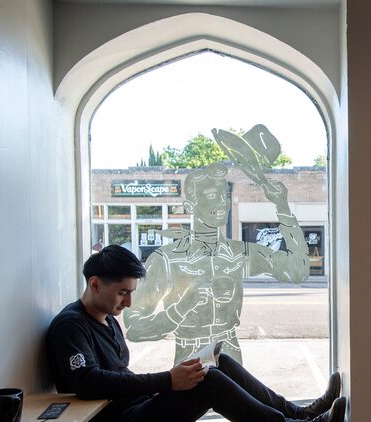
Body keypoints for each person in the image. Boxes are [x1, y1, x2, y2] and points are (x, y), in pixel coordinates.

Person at [46, 245, 345, 422]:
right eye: (123, 292)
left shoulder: (108, 319)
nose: (130, 301)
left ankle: (301, 414)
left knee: (218, 363)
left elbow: (118, 378)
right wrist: (167, 381)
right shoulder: (70, 326)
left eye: (132, 291)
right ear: (95, 284)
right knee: (210, 382)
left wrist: (174, 379)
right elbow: (89, 382)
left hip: (136, 416)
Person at [123, 125, 309, 365]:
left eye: (224, 196)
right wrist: (181, 309)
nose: (222, 203)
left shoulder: (239, 253)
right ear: (190, 206)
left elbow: (298, 270)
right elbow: (135, 327)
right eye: (212, 196)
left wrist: (283, 208)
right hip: (189, 356)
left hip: (230, 352)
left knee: (240, 401)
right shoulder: (167, 259)